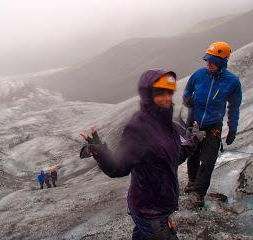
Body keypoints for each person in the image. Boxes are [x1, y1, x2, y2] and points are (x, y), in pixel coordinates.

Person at [80, 70, 205, 240]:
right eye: (160, 92)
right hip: (150, 212)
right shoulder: (138, 128)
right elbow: (118, 168)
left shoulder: (168, 125)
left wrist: (193, 140)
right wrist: (101, 152)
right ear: (147, 94)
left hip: (157, 207)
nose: (166, 97)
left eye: (169, 92)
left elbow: (175, 156)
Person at [183, 41, 242, 207]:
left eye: (212, 61)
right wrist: (187, 99)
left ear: (222, 62)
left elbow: (234, 107)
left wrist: (232, 130)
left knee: (208, 160)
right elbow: (188, 91)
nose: (208, 63)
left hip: (213, 125)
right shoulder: (198, 74)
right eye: (207, 60)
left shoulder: (232, 82)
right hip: (194, 122)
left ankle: (199, 193)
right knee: (192, 155)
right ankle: (192, 181)